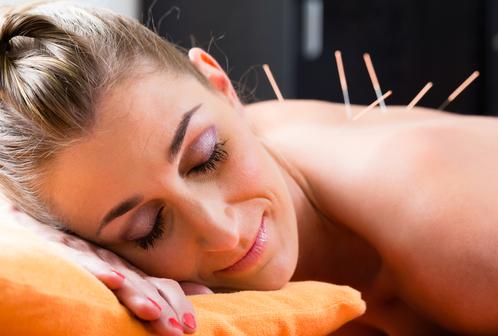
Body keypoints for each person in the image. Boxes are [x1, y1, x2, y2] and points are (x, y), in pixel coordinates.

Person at [1, 2, 497, 335]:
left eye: (207, 157)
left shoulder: (453, 228)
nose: (221, 231)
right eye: (147, 230)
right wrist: (28, 232)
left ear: (221, 87)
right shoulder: (62, 219)